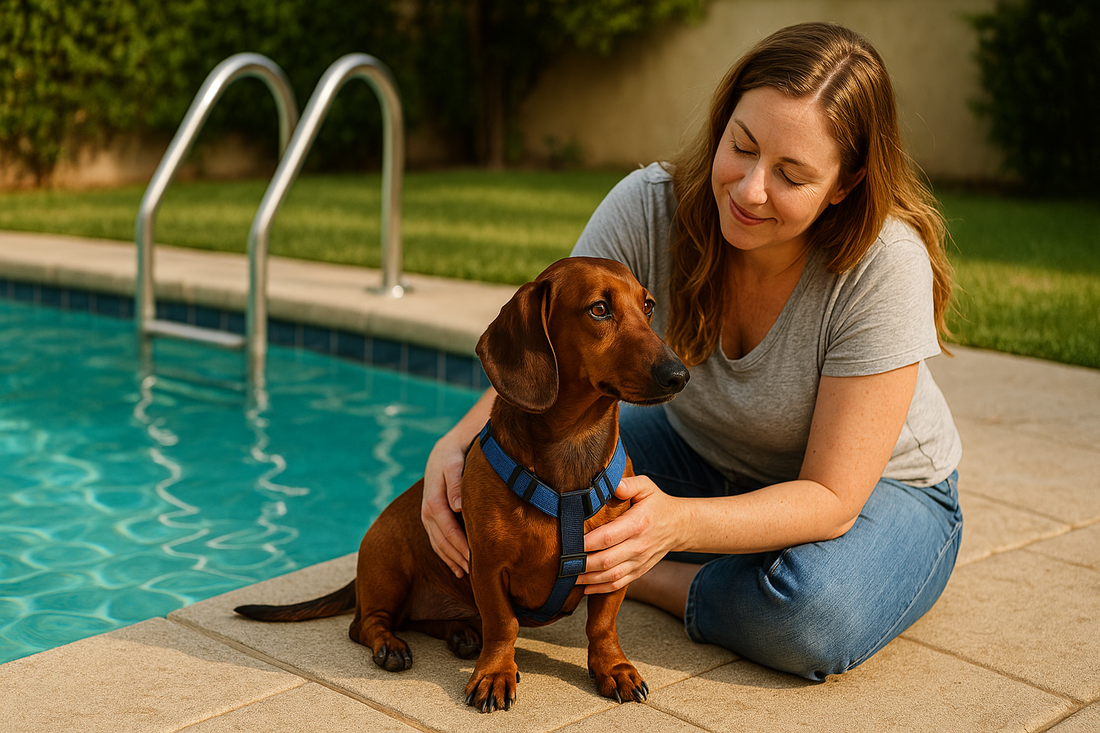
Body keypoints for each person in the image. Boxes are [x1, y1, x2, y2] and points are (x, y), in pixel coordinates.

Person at [420, 21, 963, 681]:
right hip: (699, 448)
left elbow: (830, 495)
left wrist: (667, 532)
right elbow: (545, 353)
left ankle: (639, 573)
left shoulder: (883, 264)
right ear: (723, 120)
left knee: (810, 615)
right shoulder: (649, 206)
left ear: (844, 184)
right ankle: (650, 551)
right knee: (494, 477)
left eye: (791, 174)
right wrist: (454, 444)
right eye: (742, 145)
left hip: (883, 491)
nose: (749, 189)